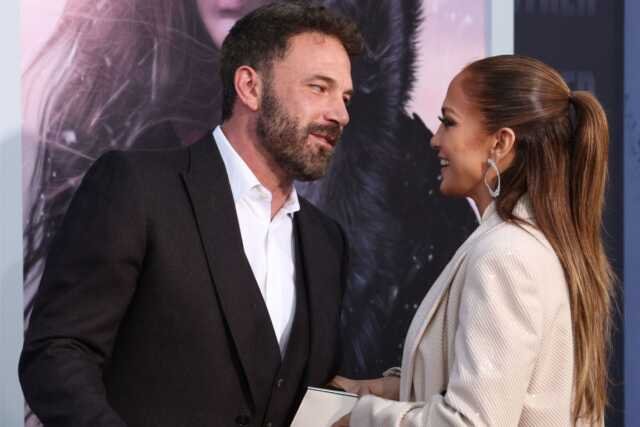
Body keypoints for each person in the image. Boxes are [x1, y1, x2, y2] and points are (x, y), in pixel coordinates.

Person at [19, 3, 362, 426]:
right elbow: (57, 355)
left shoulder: (326, 242)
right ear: (250, 88)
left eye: (345, 97)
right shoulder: (138, 188)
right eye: (319, 88)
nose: (340, 114)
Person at [332, 54, 614, 426]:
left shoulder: (507, 256)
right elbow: (497, 394)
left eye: (448, 122)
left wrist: (358, 419)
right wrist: (386, 390)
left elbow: (470, 422)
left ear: (500, 143)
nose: (435, 139)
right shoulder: (522, 244)